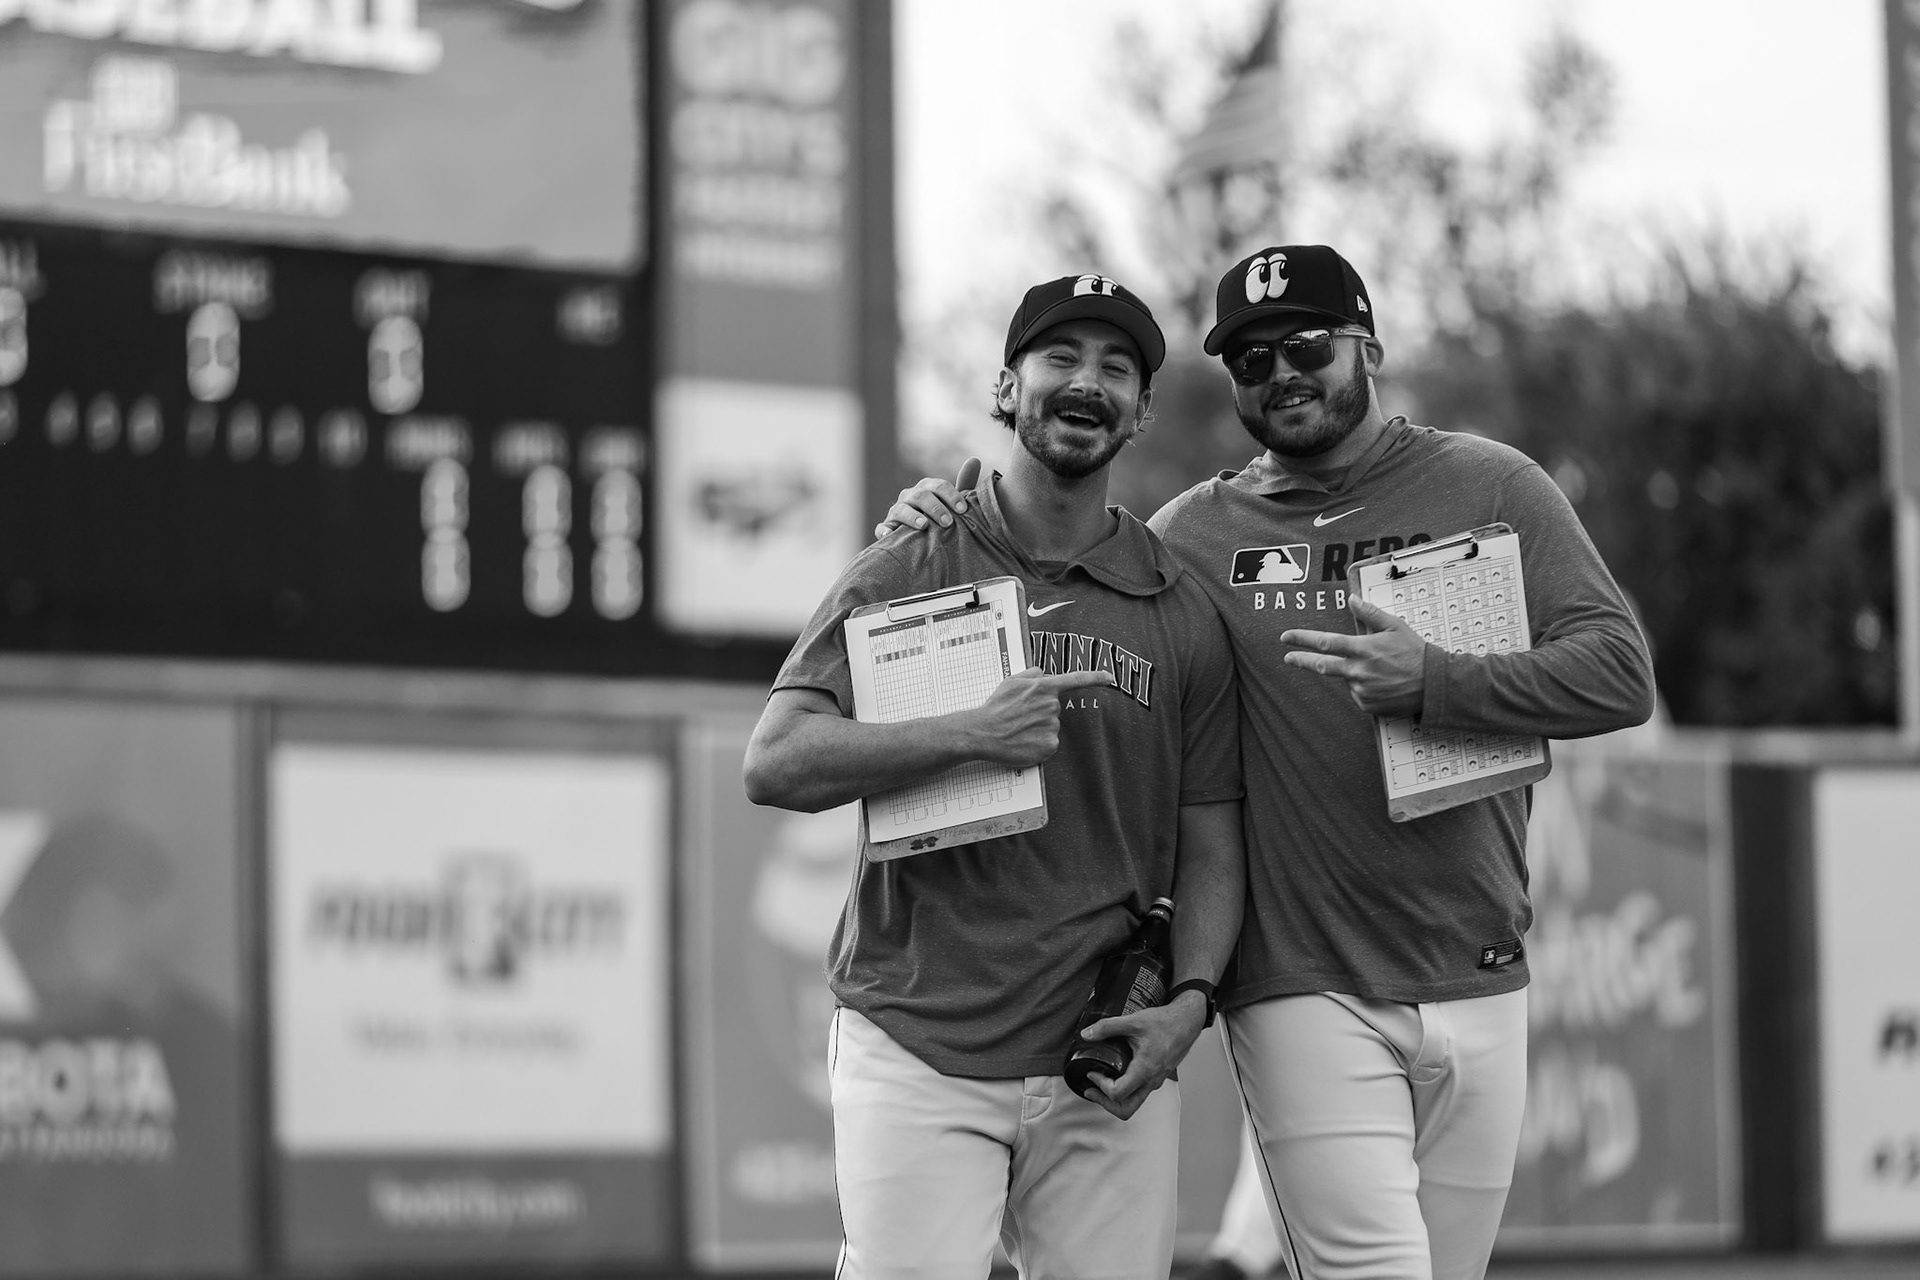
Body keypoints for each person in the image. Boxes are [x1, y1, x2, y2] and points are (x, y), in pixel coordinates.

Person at [881, 245, 1657, 1280]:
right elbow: (1056, 586)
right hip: (1299, 979)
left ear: (1366, 346)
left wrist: (1437, 679)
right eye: (1251, 360)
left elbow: (1619, 674)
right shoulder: (1192, 535)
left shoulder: (1494, 483)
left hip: (1479, 962)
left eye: (1305, 345)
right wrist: (942, 526)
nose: (1281, 372)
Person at [743, 274, 1247, 1280]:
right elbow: (778, 758)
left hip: (1101, 1055)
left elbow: (1213, 844)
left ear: (1142, 410)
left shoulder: (1178, 603)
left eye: (1117, 368)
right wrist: (968, 732)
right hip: (918, 1037)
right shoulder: (913, 558)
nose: (1087, 383)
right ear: (1006, 385)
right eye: (1061, 357)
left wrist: (1187, 1003)